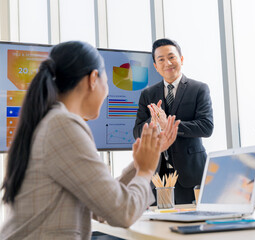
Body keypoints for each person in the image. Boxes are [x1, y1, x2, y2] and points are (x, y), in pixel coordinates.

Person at [0, 41, 179, 240]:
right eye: (107, 82)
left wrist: (142, 164)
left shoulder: (51, 121)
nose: (107, 92)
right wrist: (145, 171)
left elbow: (101, 203)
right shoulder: (63, 126)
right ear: (93, 79)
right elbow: (122, 212)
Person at [133, 38, 214, 204]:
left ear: (181, 59)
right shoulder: (147, 94)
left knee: (192, 224)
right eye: (161, 60)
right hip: (157, 176)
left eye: (171, 57)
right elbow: (137, 131)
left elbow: (206, 127)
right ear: (155, 66)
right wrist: (154, 122)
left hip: (191, 174)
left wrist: (168, 124)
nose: (167, 63)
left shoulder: (199, 89)